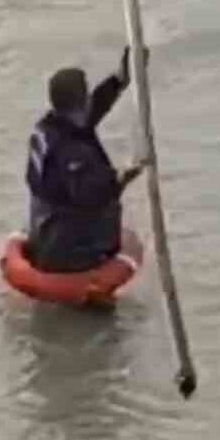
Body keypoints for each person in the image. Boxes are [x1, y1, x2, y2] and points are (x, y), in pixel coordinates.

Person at [24, 46, 149, 273]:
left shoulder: (49, 128)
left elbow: (95, 106)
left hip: (45, 236)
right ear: (80, 102)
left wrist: (120, 79)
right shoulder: (69, 152)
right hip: (70, 252)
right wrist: (124, 176)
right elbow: (92, 193)